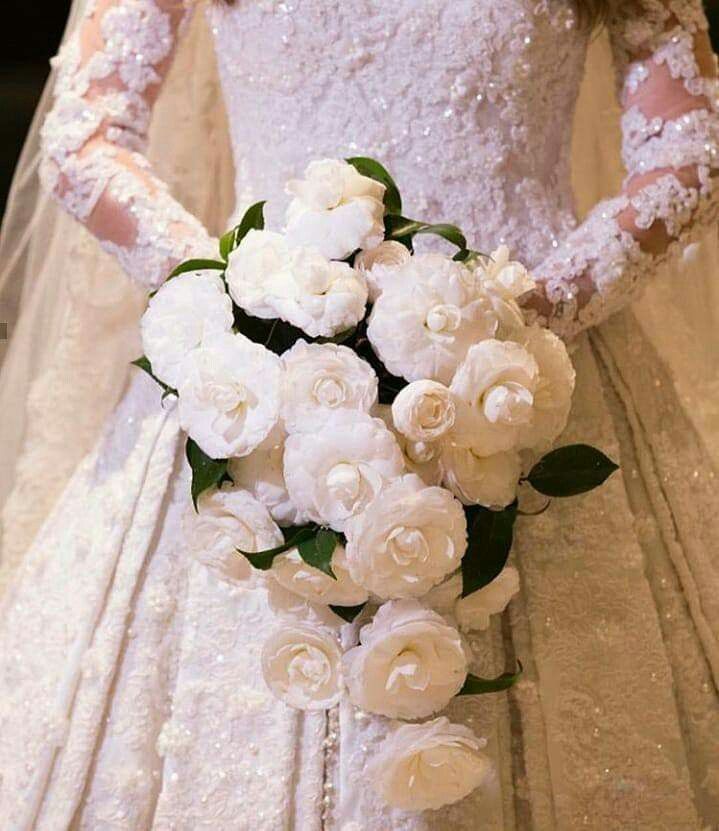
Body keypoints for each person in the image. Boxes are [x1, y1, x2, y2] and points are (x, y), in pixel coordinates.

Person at [0, 0, 718, 827]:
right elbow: (84, 134)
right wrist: (227, 303)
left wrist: (522, 314)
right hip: (264, 370)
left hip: (521, 370)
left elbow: (688, 153)